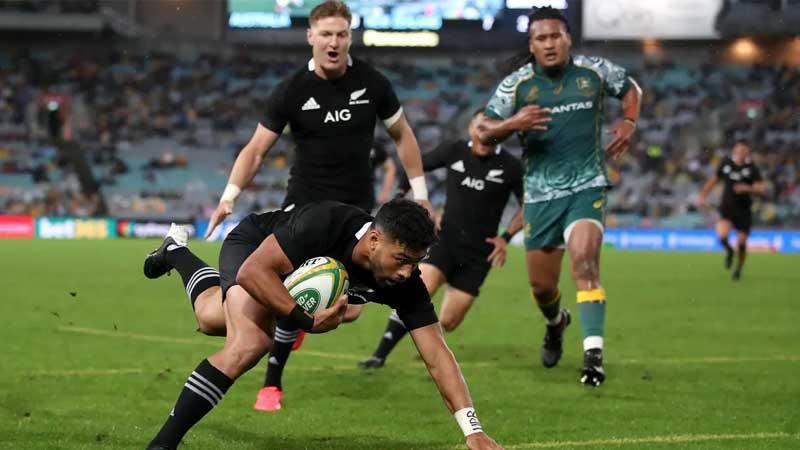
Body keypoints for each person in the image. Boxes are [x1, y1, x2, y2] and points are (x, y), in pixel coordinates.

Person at [200, 1, 432, 411]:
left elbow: (404, 136)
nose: (334, 42)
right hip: (304, 211)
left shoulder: (373, 84)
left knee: (348, 310)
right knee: (293, 299)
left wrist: (422, 192)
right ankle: (272, 381)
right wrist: (228, 197)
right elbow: (256, 149)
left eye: (341, 34)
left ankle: (290, 327)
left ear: (350, 37)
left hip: (357, 216)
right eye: (325, 34)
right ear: (310, 36)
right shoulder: (291, 90)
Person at [142, 199, 503, 450]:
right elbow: (255, 271)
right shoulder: (327, 223)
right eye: (402, 259)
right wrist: (303, 320)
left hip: (288, 277)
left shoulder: (405, 283)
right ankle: (162, 443)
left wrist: (473, 430)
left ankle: (174, 251)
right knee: (249, 343)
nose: (408, 271)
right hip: (258, 249)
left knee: (211, 317)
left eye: (416, 262)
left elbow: (437, 354)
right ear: (374, 240)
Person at [476, 7, 642, 387]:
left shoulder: (593, 71)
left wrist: (630, 121)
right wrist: (513, 124)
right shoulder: (516, 85)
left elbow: (630, 88)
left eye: (555, 36)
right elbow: (483, 129)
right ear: (531, 45)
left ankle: (593, 357)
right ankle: (556, 323)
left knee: (585, 262)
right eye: (540, 38)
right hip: (539, 197)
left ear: (568, 38)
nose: (549, 44)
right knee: (542, 288)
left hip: (586, 187)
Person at [358, 111, 524, 369]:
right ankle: (379, 356)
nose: (484, 131)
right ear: (471, 127)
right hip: (444, 241)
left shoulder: (511, 166)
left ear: (501, 130)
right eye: (479, 124)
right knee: (416, 290)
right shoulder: (454, 150)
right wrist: (404, 195)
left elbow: (528, 206)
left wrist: (506, 237)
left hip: (480, 253)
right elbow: (413, 167)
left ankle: (428, 345)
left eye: (491, 126)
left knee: (448, 321)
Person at [698, 140, 764, 280]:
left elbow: (760, 187)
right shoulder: (726, 164)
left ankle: (739, 268)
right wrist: (703, 195)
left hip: (744, 210)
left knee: (741, 243)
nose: (740, 152)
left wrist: (747, 188)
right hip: (727, 208)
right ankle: (729, 251)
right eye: (738, 149)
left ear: (747, 152)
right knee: (722, 236)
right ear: (734, 150)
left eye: (743, 150)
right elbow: (714, 180)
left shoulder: (752, 168)